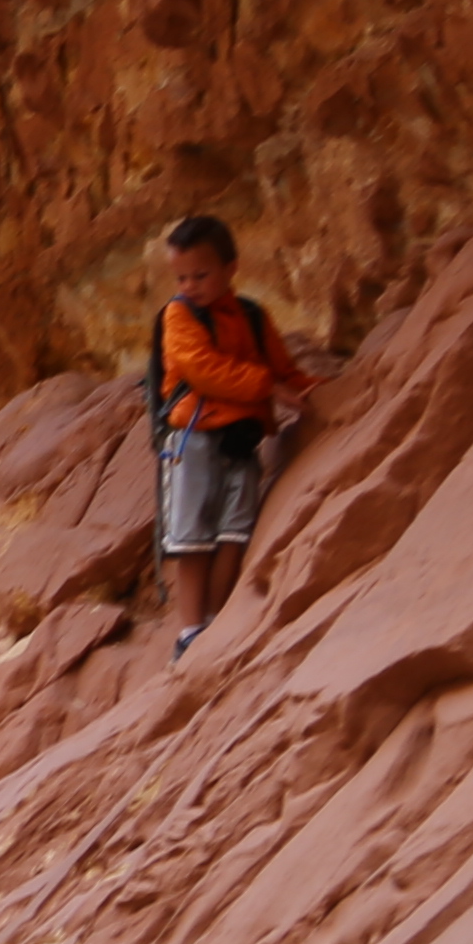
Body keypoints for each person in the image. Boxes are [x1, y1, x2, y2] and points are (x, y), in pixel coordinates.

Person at [149, 212, 314, 656]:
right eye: (181, 277)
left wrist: (307, 391)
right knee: (190, 533)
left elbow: (281, 368)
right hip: (195, 437)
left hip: (242, 439)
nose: (188, 286)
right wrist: (268, 387)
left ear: (230, 268)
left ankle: (216, 620)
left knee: (234, 531)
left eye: (200, 275)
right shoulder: (179, 317)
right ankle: (189, 629)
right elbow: (202, 371)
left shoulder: (251, 317)